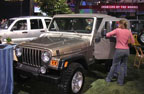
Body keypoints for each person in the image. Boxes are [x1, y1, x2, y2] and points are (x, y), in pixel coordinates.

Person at [105, 19, 135, 85]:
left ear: (121, 24)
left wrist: (113, 35)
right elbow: (133, 42)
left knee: (114, 65)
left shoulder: (117, 30)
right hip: (126, 50)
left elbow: (107, 34)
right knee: (123, 66)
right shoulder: (128, 31)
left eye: (118, 24)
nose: (118, 25)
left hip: (119, 50)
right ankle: (120, 82)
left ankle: (108, 79)